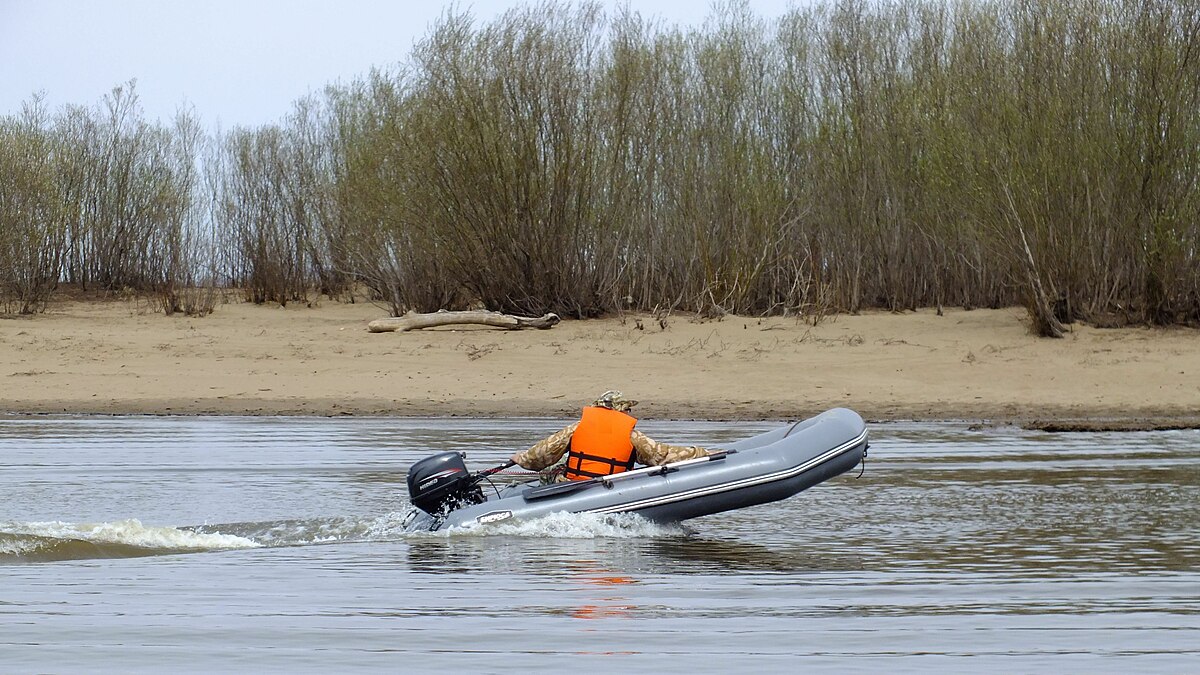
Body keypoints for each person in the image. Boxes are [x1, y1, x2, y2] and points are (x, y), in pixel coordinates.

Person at [510, 390, 711, 483]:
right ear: (620, 410)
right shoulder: (632, 436)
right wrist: (702, 454)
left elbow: (542, 454)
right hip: (612, 488)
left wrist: (522, 459)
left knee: (554, 472)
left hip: (573, 486)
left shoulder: (576, 428)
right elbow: (663, 456)